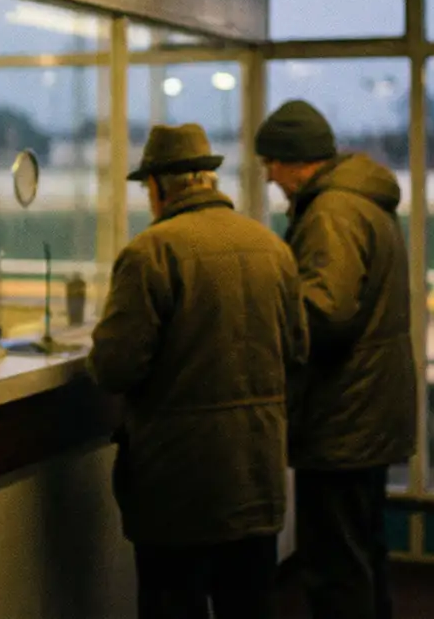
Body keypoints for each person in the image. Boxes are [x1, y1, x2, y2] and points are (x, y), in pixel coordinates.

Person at [90, 123, 308, 619]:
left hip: (176, 484)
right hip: (255, 474)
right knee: (248, 604)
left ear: (161, 186)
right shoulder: (272, 248)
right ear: (206, 179)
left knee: (174, 605)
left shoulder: (150, 254)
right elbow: (298, 351)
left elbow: (115, 367)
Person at [255, 100, 417, 619]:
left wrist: (268, 313)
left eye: (272, 163)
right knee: (363, 549)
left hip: (342, 415)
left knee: (334, 564)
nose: (268, 176)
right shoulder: (363, 202)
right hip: (368, 409)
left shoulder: (330, 213)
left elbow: (325, 311)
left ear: (297, 161)